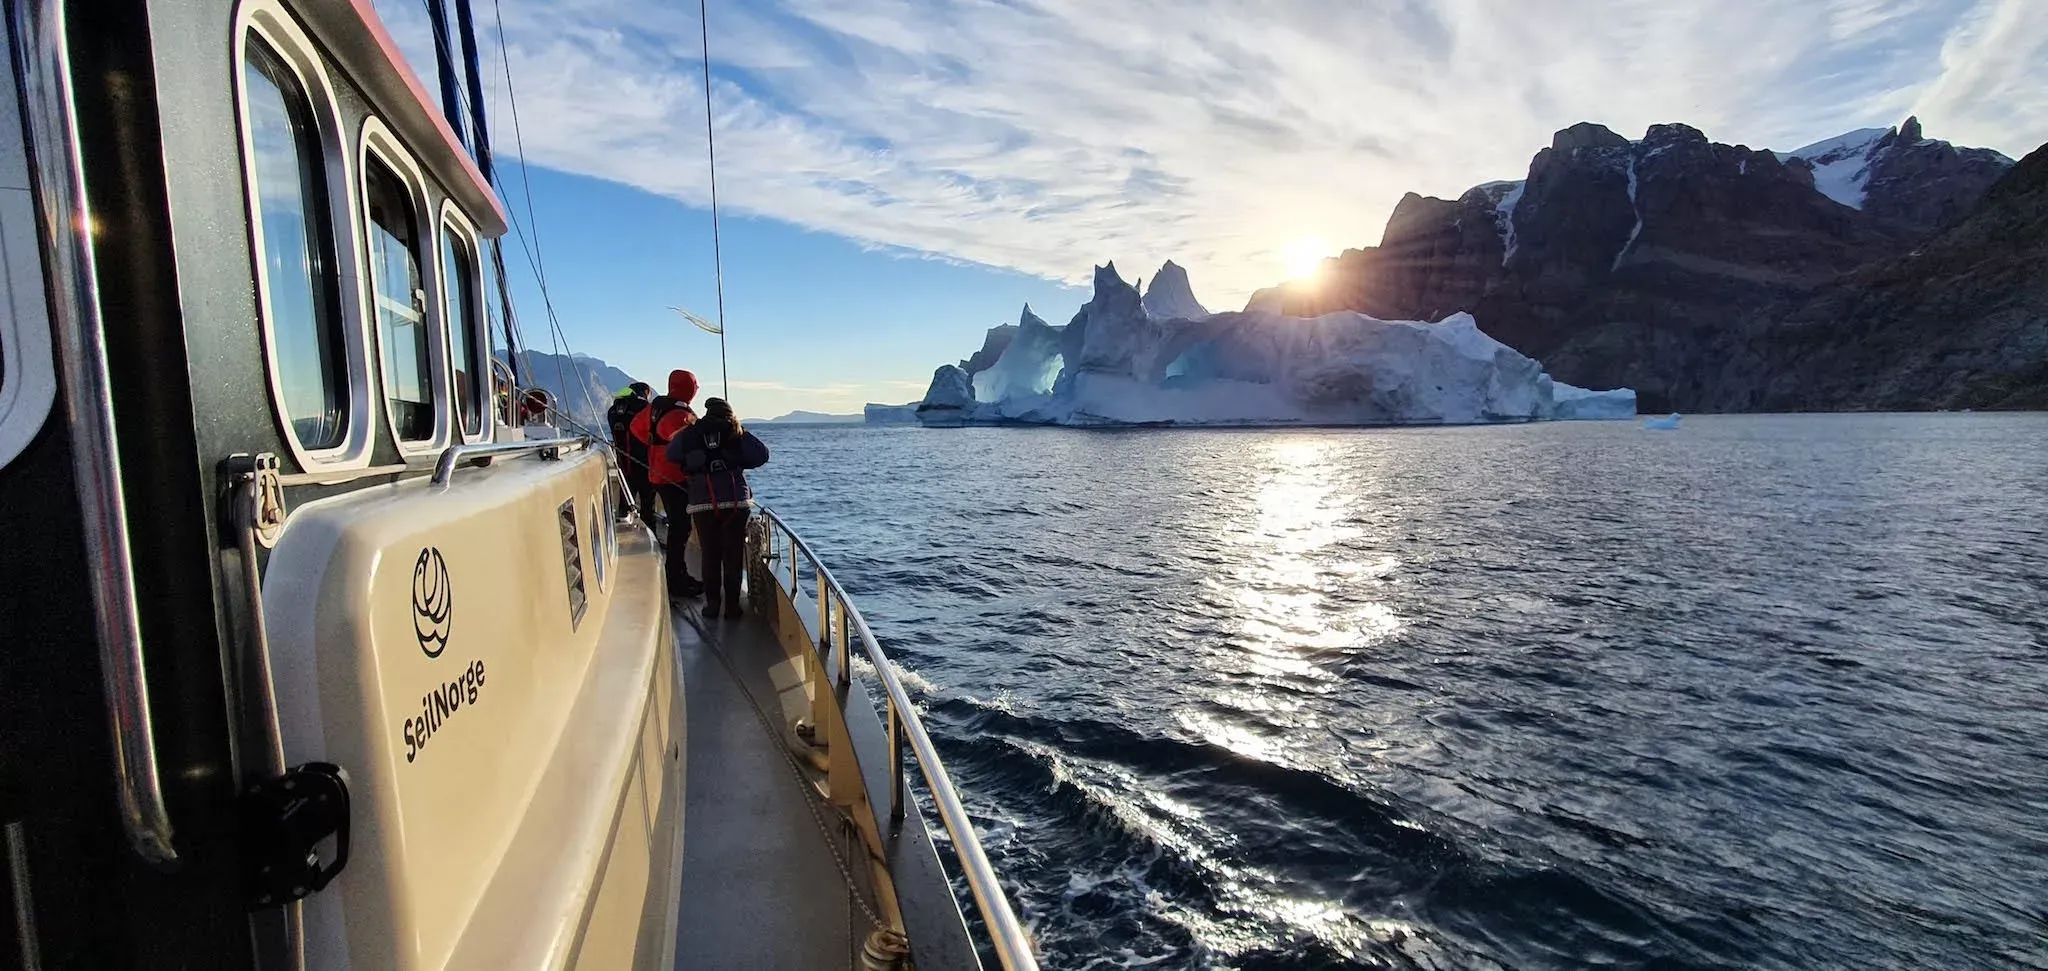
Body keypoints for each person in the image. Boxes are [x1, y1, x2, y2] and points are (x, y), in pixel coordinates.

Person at [666, 397, 769, 618]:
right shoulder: (735, 431)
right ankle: (732, 607)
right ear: (728, 413)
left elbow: (671, 454)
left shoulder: (691, 432)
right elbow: (762, 454)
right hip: (735, 501)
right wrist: (739, 460)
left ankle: (712, 606)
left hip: (702, 502)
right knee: (733, 555)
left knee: (710, 555)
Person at [631, 370, 702, 599]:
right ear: (689, 388)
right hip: (676, 478)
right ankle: (676, 580)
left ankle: (677, 574)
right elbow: (690, 442)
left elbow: (635, 427)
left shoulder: (654, 408)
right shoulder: (681, 414)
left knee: (677, 526)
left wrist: (653, 444)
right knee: (681, 528)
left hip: (657, 474)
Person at [606, 382, 654, 519]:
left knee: (625, 499)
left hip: (622, 462)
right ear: (644, 393)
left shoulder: (613, 410)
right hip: (644, 463)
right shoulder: (645, 409)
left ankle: (624, 527)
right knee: (647, 502)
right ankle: (650, 531)